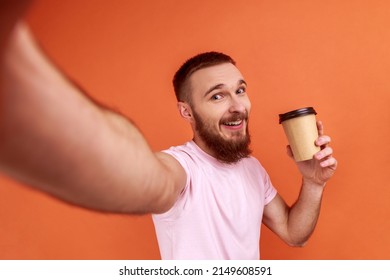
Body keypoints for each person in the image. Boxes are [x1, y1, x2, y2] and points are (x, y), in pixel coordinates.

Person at [0, 2, 337, 260]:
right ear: (186, 111)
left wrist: (313, 182)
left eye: (240, 90)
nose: (237, 105)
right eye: (217, 95)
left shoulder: (252, 170)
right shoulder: (181, 168)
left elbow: (296, 234)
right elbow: (148, 178)